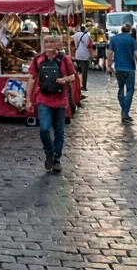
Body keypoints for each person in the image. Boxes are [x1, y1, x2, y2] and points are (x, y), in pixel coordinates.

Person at [28, 35, 77, 173]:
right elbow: (32, 79)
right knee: (44, 129)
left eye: (51, 41)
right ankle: (49, 152)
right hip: (43, 99)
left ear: (56, 44)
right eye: (46, 42)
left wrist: (65, 80)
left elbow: (73, 76)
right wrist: (28, 100)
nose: (49, 44)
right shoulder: (38, 59)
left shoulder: (64, 59)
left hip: (60, 100)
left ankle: (56, 159)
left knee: (59, 131)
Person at [106, 21, 137, 123]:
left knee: (121, 88)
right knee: (130, 90)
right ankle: (125, 112)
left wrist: (108, 65)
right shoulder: (132, 40)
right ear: (130, 30)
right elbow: (136, 54)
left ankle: (123, 109)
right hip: (130, 68)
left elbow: (110, 53)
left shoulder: (114, 39)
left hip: (119, 67)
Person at [70, 25, 92, 92]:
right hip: (85, 54)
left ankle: (77, 85)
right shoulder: (86, 36)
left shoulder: (75, 35)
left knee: (77, 71)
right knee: (84, 71)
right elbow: (88, 45)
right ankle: (84, 86)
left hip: (78, 53)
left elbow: (74, 44)